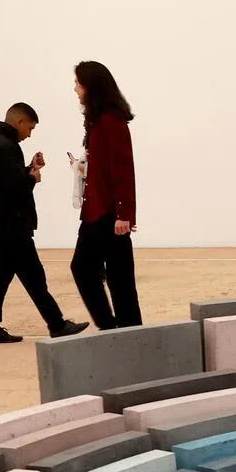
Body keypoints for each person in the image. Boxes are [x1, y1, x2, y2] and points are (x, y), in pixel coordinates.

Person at [0, 102, 88, 344]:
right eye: (30, 127)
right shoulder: (7, 147)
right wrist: (32, 177)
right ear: (19, 122)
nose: (30, 133)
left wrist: (29, 168)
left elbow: (5, 180)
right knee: (33, 276)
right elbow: (13, 188)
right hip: (13, 225)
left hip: (1, 225)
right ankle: (56, 324)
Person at [70, 61, 142, 329]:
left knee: (117, 277)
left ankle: (123, 330)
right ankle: (114, 328)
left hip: (109, 213)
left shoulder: (111, 120)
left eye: (78, 83)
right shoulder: (98, 120)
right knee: (93, 271)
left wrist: (124, 214)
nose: (75, 89)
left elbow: (123, 169)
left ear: (91, 87)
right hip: (95, 210)